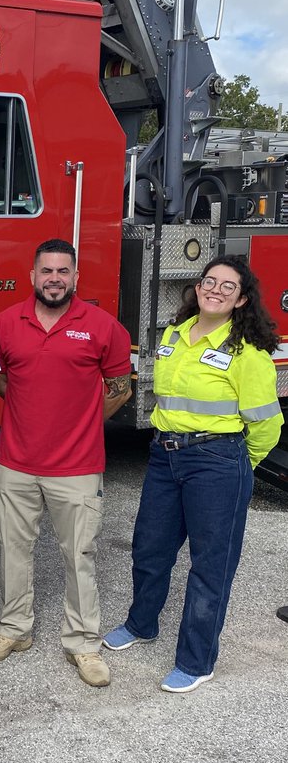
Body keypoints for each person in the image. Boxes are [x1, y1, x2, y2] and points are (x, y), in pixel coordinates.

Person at [103, 255, 283, 692]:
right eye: (210, 281)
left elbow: (267, 425)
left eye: (228, 286)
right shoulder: (174, 335)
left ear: (242, 300)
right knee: (150, 548)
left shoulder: (247, 353)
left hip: (218, 461)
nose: (215, 290)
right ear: (197, 287)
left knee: (210, 565)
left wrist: (239, 466)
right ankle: (142, 624)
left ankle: (196, 660)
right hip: (166, 457)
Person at [0, 238, 132, 688]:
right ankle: (15, 628)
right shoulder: (7, 324)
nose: (54, 279)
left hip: (78, 467)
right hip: (16, 463)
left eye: (62, 271)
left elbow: (120, 388)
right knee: (12, 551)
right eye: (46, 271)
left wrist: (82, 422)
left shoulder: (104, 327)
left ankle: (83, 643)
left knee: (80, 557)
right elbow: (0, 381)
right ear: (32, 276)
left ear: (75, 277)